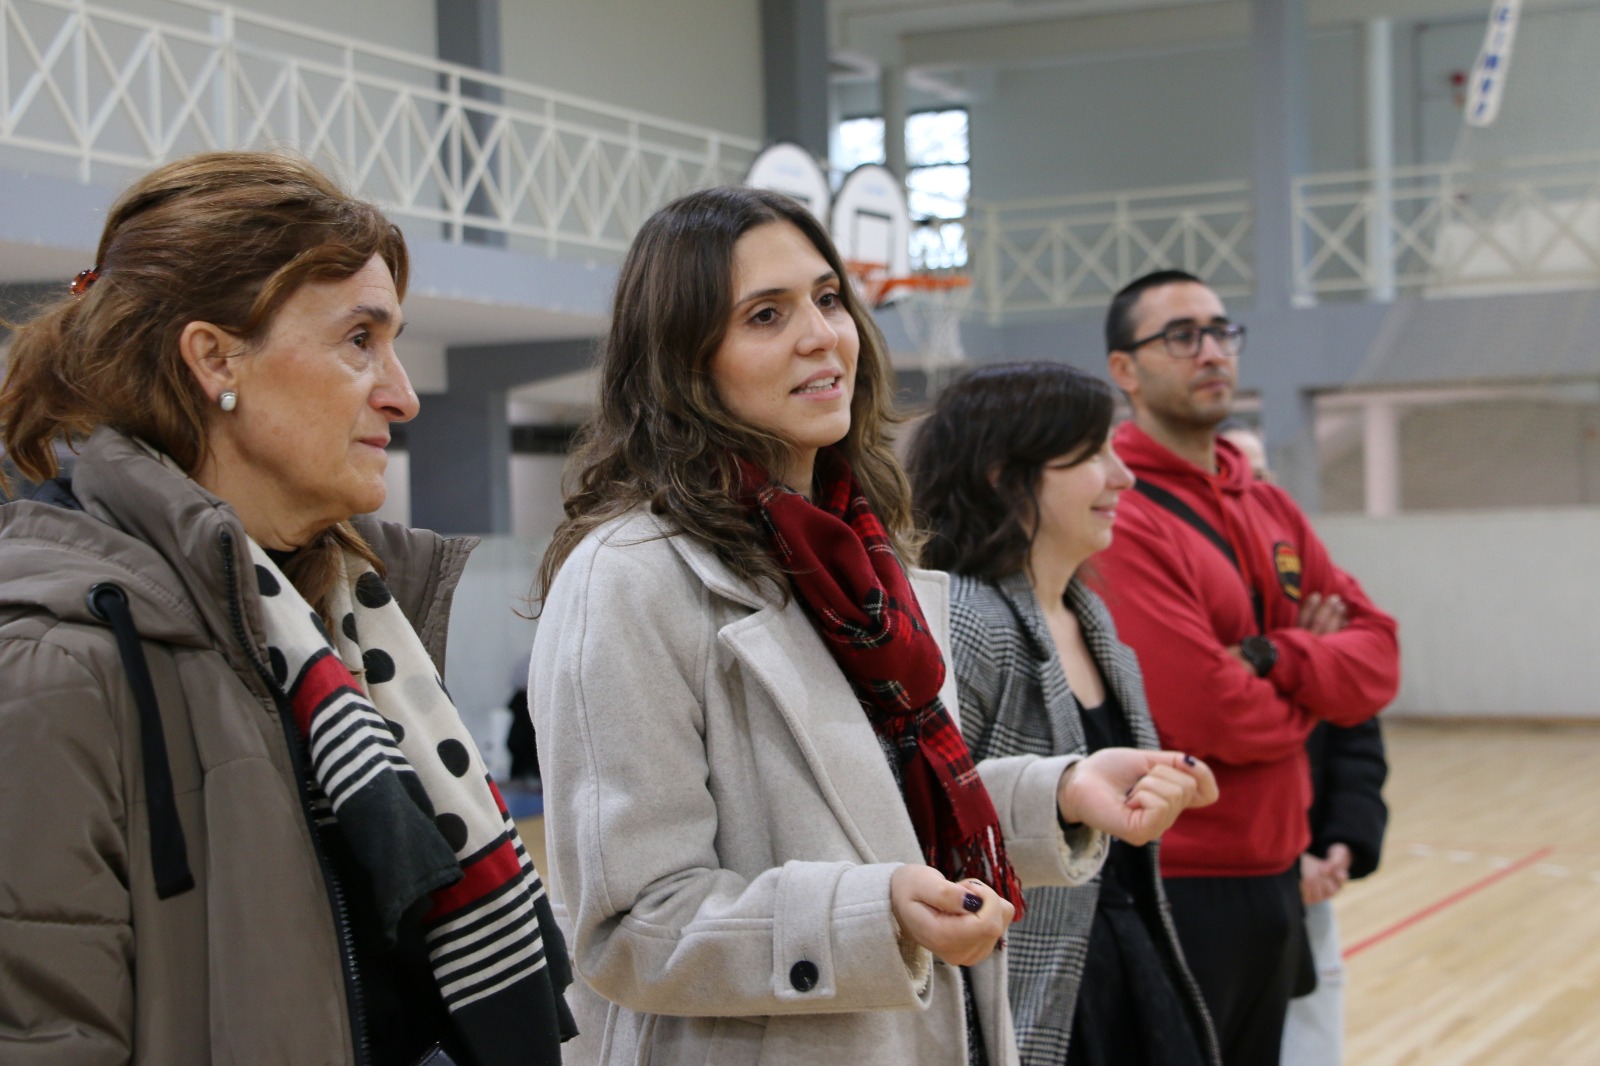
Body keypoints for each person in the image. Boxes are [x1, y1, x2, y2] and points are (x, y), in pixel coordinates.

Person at [529, 186, 1210, 1066]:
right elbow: (628, 925)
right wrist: (871, 915)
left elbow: (884, 809)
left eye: (827, 298)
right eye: (766, 315)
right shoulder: (628, 578)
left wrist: (1059, 793)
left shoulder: (861, 557)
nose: (822, 335)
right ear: (684, 362)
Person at [0, 151, 574, 1065]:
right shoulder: (57, 666)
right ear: (214, 358)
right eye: (359, 340)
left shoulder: (351, 633)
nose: (403, 395)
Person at [1094, 270, 1400, 1066]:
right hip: (1179, 881)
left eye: (1221, 331)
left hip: (1276, 870)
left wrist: (1275, 654)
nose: (1211, 352)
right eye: (1181, 336)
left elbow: (1379, 656)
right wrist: (1316, 689)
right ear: (1125, 369)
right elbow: (1206, 713)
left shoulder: (1268, 503)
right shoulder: (1123, 511)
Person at [909, 361, 1221, 1066]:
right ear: (1002, 474)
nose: (1124, 476)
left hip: (1120, 957)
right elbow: (928, 825)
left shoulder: (1091, 617)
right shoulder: (967, 620)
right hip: (1032, 988)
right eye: (1091, 455)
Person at [1220, 428, 1390, 1066]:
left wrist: (1342, 841)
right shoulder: (1177, 597)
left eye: (1263, 474)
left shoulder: (1314, 594)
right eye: (1238, 474)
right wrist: (1295, 656)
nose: (1254, 489)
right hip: (1226, 880)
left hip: (1310, 877)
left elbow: (1355, 729)